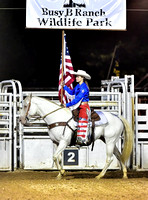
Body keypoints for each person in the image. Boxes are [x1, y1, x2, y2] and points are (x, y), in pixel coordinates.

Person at [62, 70, 91, 145]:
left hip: (83, 107)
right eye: (76, 76)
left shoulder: (83, 88)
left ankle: (82, 138)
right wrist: (65, 87)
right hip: (78, 106)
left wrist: (67, 105)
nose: (76, 78)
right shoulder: (78, 86)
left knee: (82, 119)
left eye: (78, 77)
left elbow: (77, 99)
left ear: (82, 78)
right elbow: (72, 92)